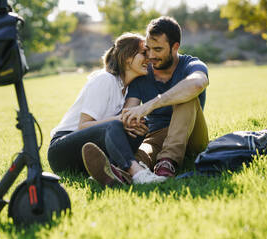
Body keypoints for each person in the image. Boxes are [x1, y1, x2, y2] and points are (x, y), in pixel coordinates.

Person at [47, 33, 167, 186]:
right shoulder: (105, 80)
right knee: (116, 124)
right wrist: (119, 120)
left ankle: (111, 171)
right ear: (127, 58)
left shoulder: (127, 90)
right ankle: (138, 174)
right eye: (144, 53)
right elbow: (83, 125)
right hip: (62, 151)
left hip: (89, 152)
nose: (148, 58)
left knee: (139, 126)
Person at [122, 16, 210, 178]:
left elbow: (197, 84)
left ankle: (167, 161)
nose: (151, 55)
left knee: (187, 94)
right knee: (142, 154)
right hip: (156, 136)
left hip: (192, 137)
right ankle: (123, 171)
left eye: (158, 49)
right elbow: (130, 110)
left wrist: (151, 105)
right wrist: (132, 122)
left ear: (175, 47)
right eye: (148, 49)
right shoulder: (142, 74)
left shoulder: (191, 65)